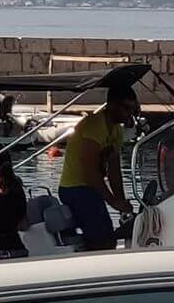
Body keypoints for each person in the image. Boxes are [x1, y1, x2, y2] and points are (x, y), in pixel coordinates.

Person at [58, 84, 139, 250]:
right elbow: (90, 172)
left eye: (134, 108)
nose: (130, 113)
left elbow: (114, 170)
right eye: (126, 108)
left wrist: (121, 201)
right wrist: (112, 201)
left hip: (91, 189)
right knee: (102, 239)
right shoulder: (94, 125)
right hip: (75, 188)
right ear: (112, 105)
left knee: (109, 235)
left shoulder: (116, 131)